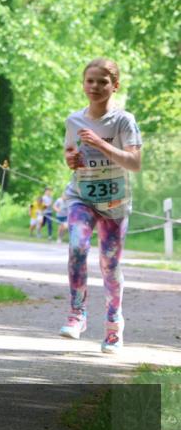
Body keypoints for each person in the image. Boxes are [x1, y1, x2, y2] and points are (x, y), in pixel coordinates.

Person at [58, 58, 142, 354]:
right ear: (83, 84)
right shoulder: (74, 120)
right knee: (77, 246)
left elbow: (135, 162)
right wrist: (71, 159)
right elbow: (71, 153)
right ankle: (77, 313)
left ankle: (113, 325)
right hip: (82, 196)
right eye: (90, 81)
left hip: (115, 203)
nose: (95, 86)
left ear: (114, 86)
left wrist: (101, 143)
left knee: (110, 265)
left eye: (102, 82)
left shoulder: (123, 121)